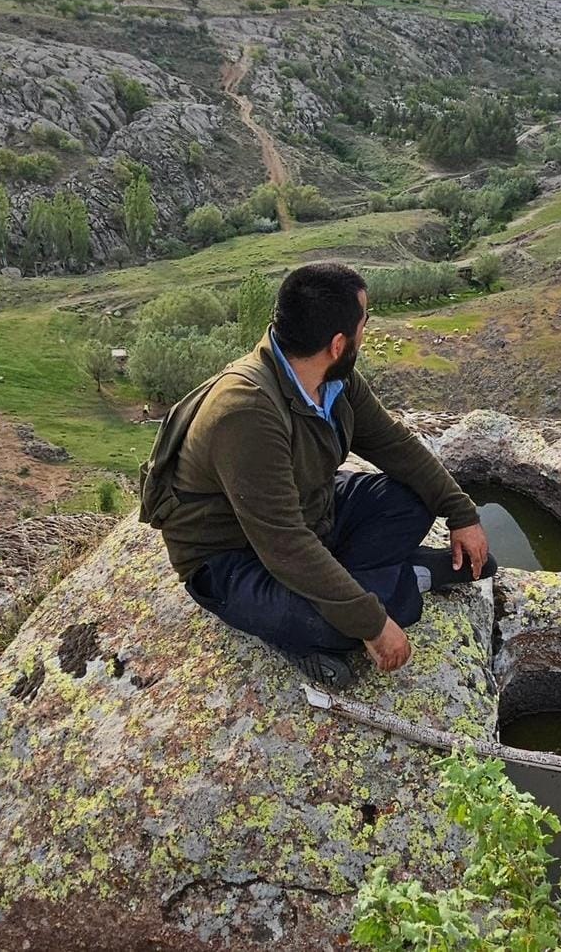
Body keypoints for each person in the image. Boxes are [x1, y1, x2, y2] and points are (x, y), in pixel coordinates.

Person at [153, 263, 495, 688]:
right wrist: (373, 623)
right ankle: (405, 580)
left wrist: (460, 512)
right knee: (352, 623)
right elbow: (285, 546)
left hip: (310, 509)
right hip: (233, 557)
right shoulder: (246, 413)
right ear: (338, 343)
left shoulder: (334, 379)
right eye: (364, 323)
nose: (366, 332)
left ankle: (371, 584)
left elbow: (394, 445)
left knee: (416, 496)